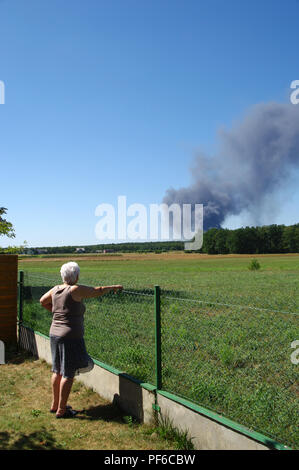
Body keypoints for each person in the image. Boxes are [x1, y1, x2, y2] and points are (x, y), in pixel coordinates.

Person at [39, 261, 123, 418]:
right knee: (68, 373)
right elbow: (96, 291)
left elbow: (42, 301)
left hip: (54, 334)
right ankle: (62, 410)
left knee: (57, 370)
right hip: (70, 336)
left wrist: (56, 313)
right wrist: (114, 287)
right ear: (76, 276)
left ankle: (55, 404)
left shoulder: (56, 289)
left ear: (63, 275)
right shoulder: (75, 289)